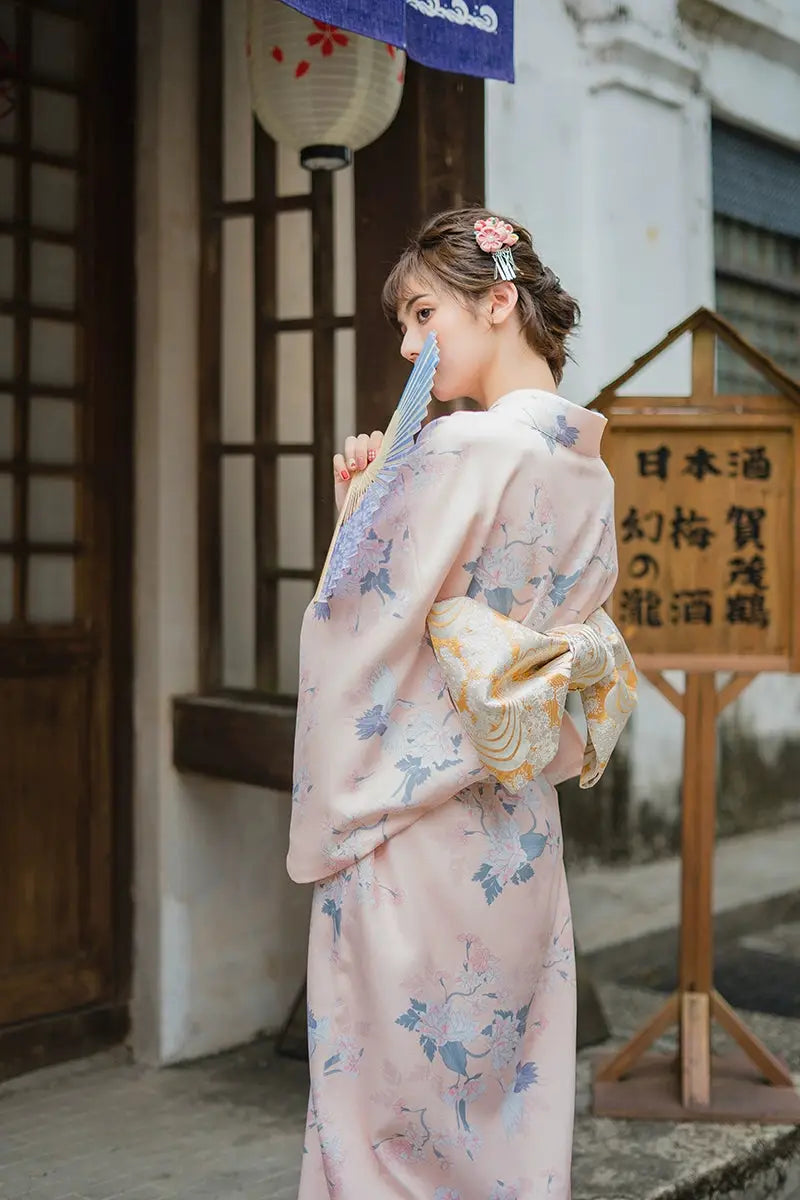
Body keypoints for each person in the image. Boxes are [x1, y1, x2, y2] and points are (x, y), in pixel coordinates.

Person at [287, 207, 637, 1200]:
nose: (406, 344)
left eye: (420, 312)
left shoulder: (457, 449)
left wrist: (359, 508)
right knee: (500, 1114)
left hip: (415, 824)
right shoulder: (583, 468)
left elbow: (355, 627)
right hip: (514, 827)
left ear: (496, 302)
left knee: (386, 1128)